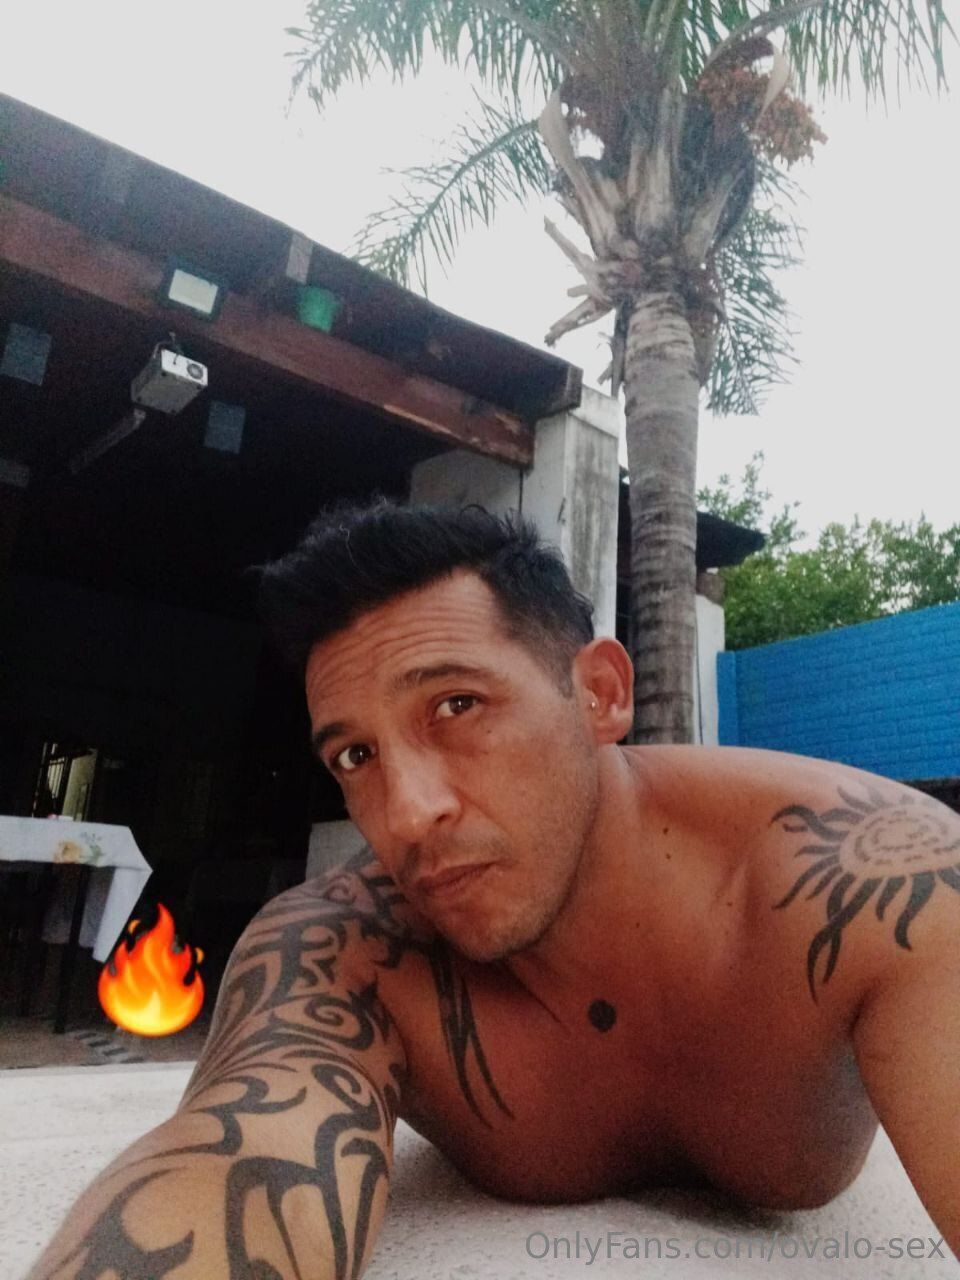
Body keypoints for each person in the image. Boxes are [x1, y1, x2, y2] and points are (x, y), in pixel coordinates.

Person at [29, 502, 960, 1279]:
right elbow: (237, 1157)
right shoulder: (347, 948)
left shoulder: (871, 887)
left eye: (456, 706)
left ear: (600, 693)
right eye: (355, 756)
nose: (407, 814)